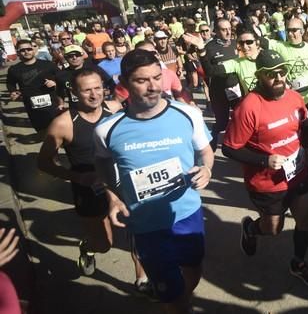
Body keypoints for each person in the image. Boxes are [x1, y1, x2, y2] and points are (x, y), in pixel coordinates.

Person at [94, 49, 214, 313]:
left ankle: (181, 300)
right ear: (123, 84)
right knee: (171, 296)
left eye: (157, 78)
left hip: (187, 215)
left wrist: (206, 170)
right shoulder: (107, 129)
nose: (153, 87)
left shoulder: (188, 115)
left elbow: (206, 153)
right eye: (142, 80)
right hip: (145, 224)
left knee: (192, 271)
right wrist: (113, 195)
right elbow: (102, 162)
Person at [36, 69, 152, 292]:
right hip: (89, 188)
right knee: (104, 244)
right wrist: (78, 177)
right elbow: (43, 163)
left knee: (138, 230)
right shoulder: (63, 123)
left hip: (123, 182)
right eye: (87, 89)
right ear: (75, 92)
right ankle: (88, 246)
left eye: (97, 87)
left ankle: (142, 279)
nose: (94, 94)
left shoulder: (116, 109)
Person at [221, 50, 308, 287]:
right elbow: (229, 148)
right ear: (259, 76)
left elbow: (304, 119)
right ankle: (251, 228)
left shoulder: (293, 97)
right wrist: (263, 161)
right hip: (266, 181)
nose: (279, 78)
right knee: (273, 228)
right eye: (271, 74)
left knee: (305, 219)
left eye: (282, 72)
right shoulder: (249, 107)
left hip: (297, 173)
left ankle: (298, 263)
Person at [200, 18, 238, 151]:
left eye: (229, 29)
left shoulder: (236, 43)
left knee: (241, 117)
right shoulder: (209, 48)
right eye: (223, 29)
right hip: (219, 91)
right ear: (216, 31)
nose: (228, 32)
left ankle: (237, 144)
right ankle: (212, 140)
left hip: (236, 89)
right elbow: (207, 71)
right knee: (222, 123)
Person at [6, 39, 60, 134]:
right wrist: (13, 92)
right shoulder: (14, 69)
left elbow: (61, 78)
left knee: (59, 132)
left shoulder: (48, 65)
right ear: (18, 52)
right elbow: (10, 83)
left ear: (33, 49)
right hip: (33, 108)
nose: (26, 52)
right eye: (22, 50)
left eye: (29, 49)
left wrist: (55, 83)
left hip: (52, 105)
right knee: (44, 135)